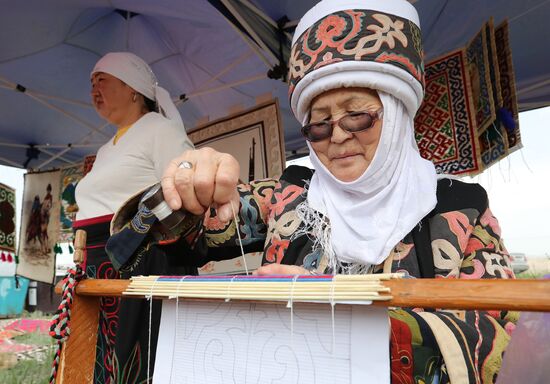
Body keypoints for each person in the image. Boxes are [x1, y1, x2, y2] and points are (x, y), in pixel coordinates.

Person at [113, 0, 515, 382]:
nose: (337, 136)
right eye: (319, 124)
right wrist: (188, 187)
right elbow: (146, 243)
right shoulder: (290, 195)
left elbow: (500, 345)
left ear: (395, 113)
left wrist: (341, 315)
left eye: (357, 115)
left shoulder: (462, 211)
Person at [73, 52, 194, 383]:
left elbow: (182, 191)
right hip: (97, 264)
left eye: (103, 80)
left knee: (135, 360)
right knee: (100, 358)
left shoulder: (160, 129)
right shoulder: (107, 148)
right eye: (91, 83)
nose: (94, 89)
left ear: (133, 89)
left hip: (139, 262)